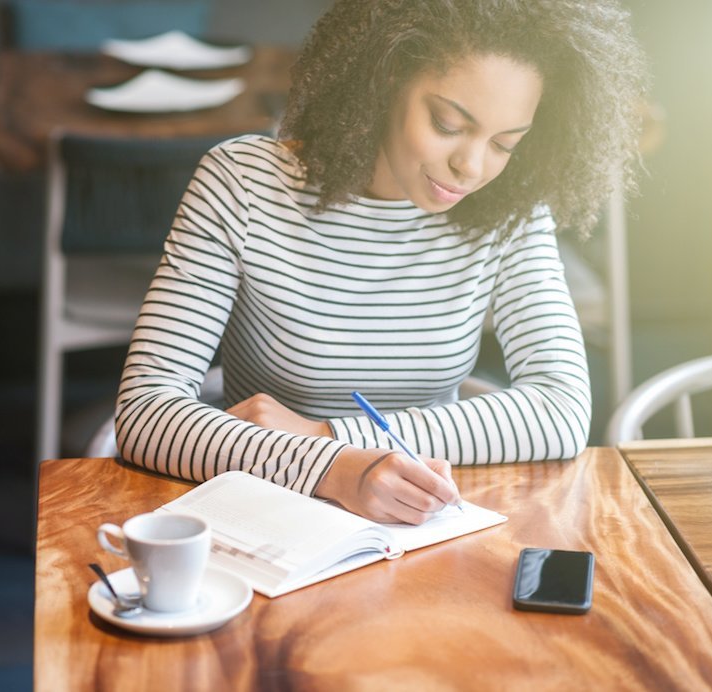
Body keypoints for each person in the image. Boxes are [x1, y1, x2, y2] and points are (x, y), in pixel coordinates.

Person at [116, 0, 648, 524]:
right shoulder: (244, 183)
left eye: (505, 143)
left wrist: (325, 435)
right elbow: (144, 414)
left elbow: (562, 412)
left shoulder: (511, 211)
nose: (472, 165)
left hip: (422, 517)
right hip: (269, 516)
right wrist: (339, 470)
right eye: (447, 123)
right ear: (385, 78)